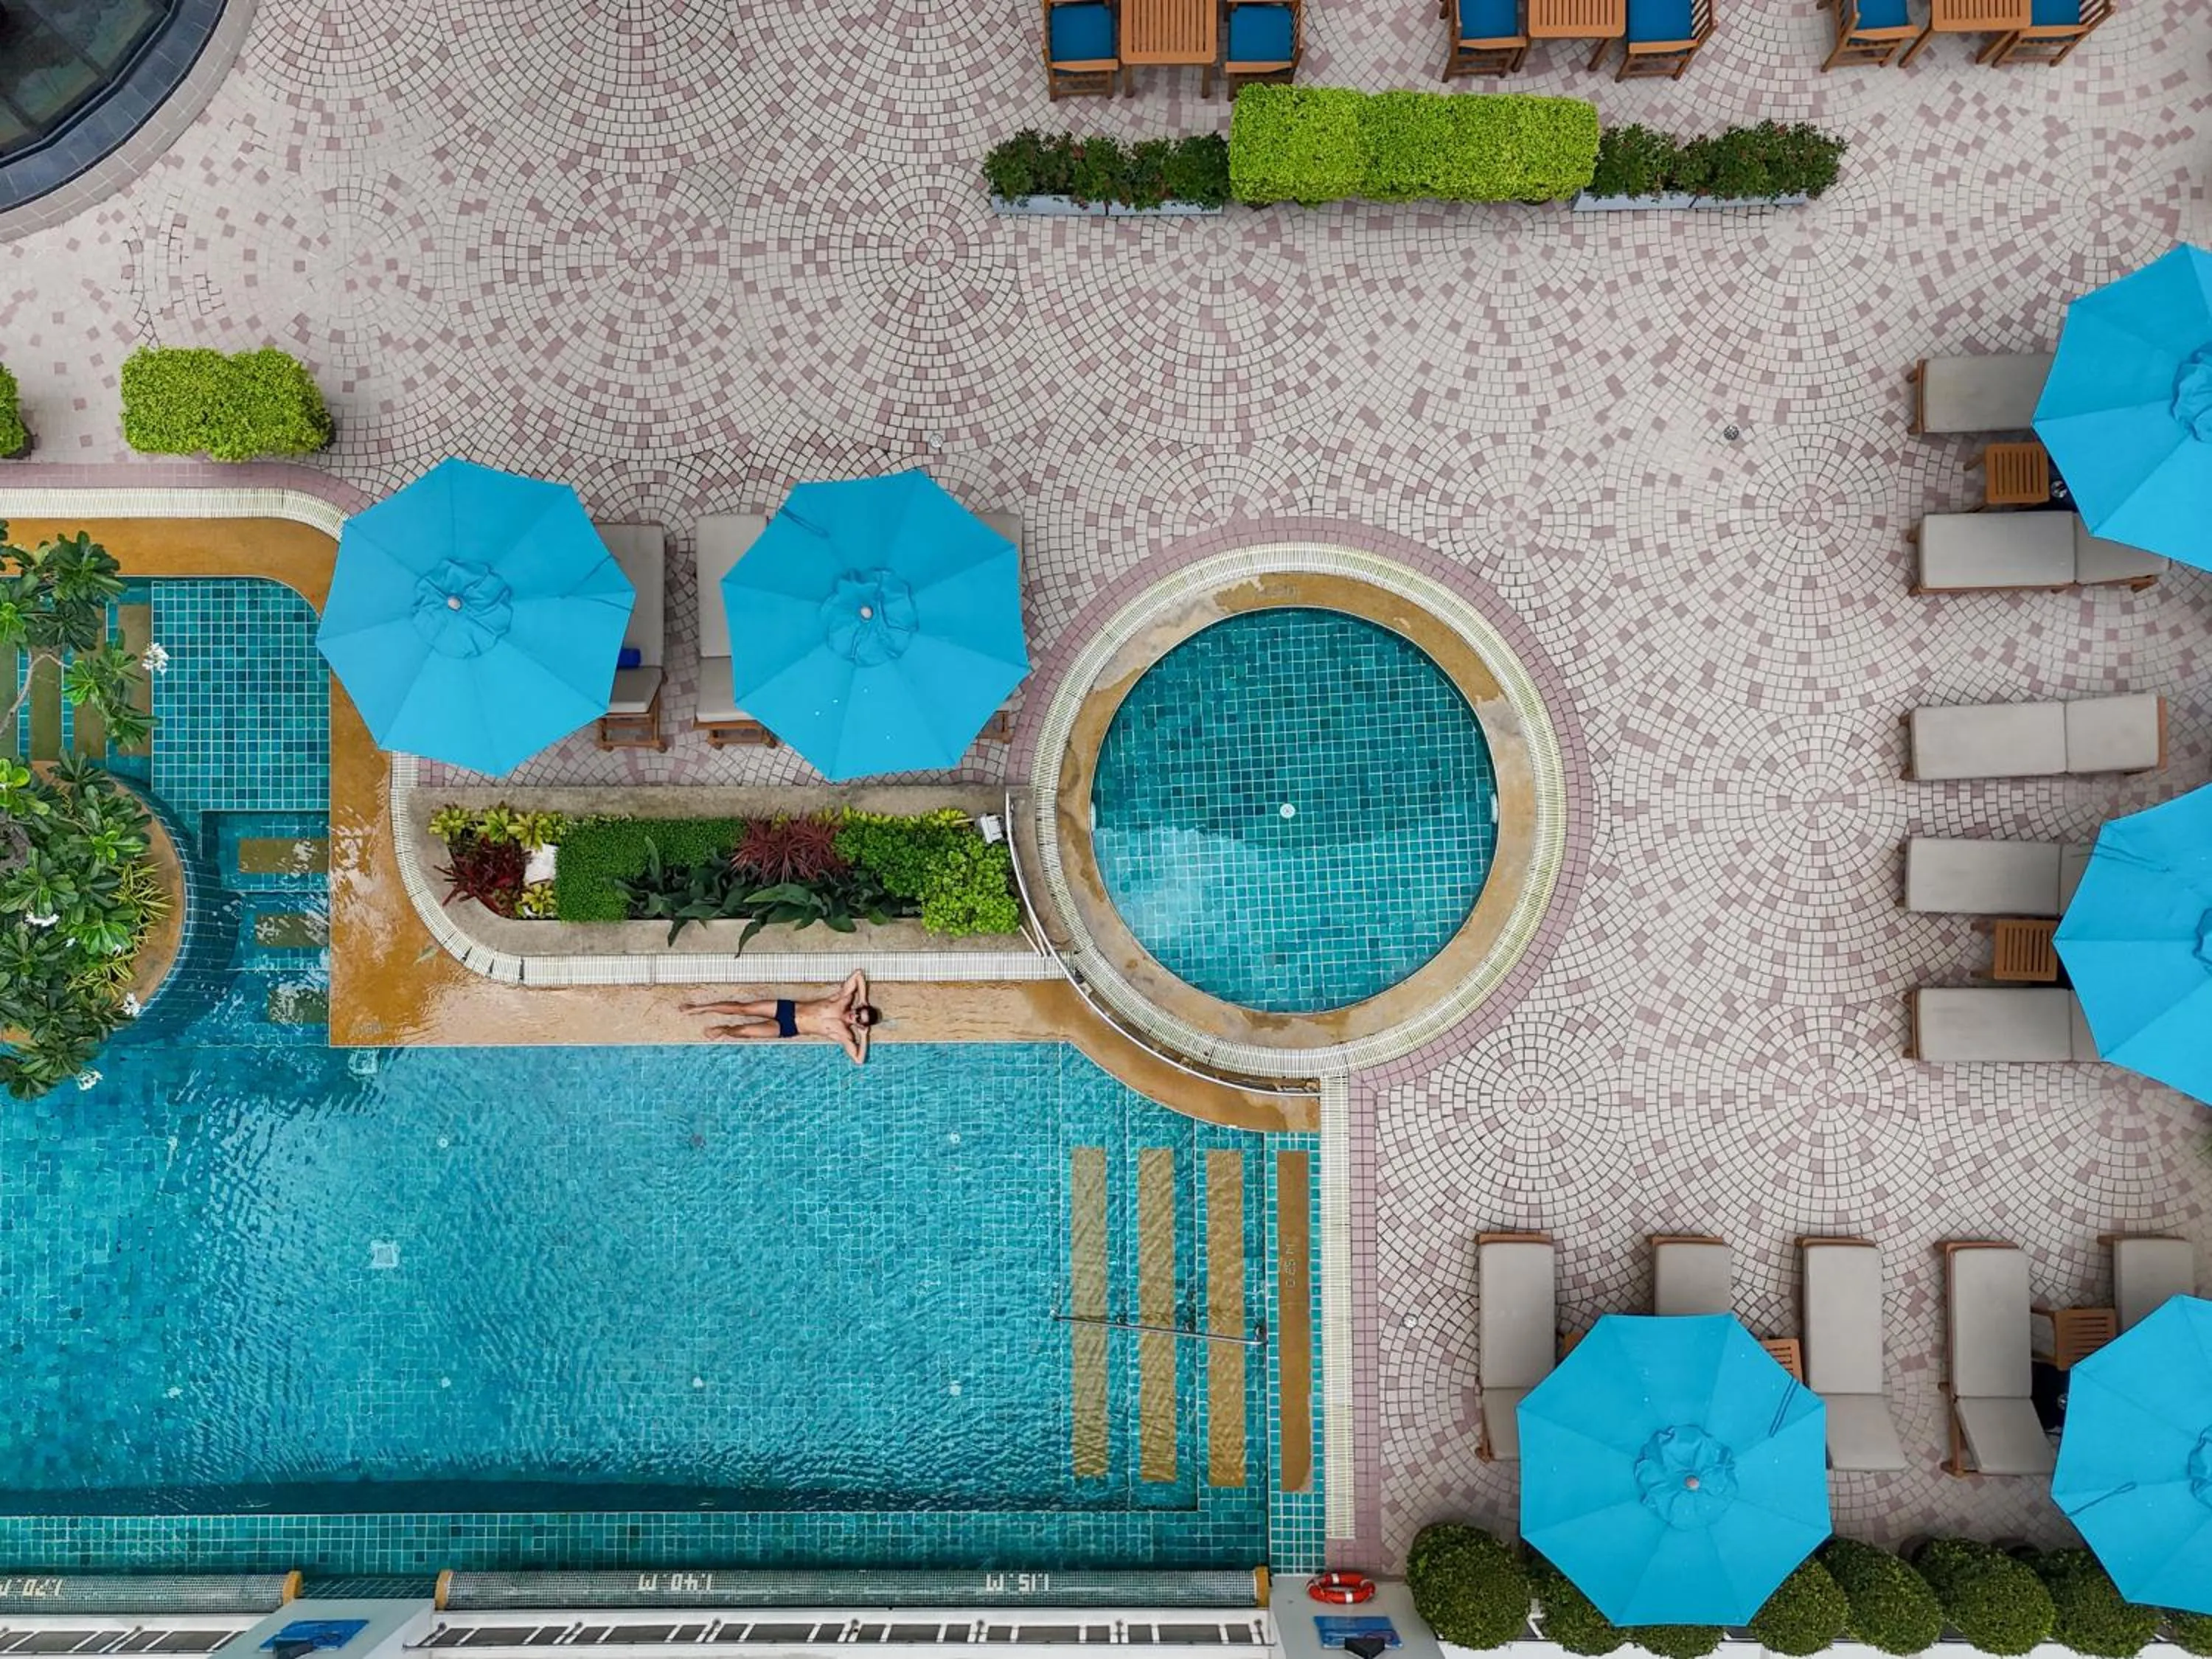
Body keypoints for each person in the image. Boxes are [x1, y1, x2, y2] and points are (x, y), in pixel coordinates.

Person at [685, 969, 878, 1065]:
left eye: (859, 1019)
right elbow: (858, 975)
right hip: (787, 1009)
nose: (855, 1016)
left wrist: (864, 1036)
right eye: (859, 1012)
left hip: (789, 1029)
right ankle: (700, 1008)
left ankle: (725, 1030)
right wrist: (863, 999)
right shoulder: (843, 1001)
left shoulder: (844, 1034)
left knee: (744, 1031)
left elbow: (859, 1060)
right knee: (743, 1009)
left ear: (860, 1024)